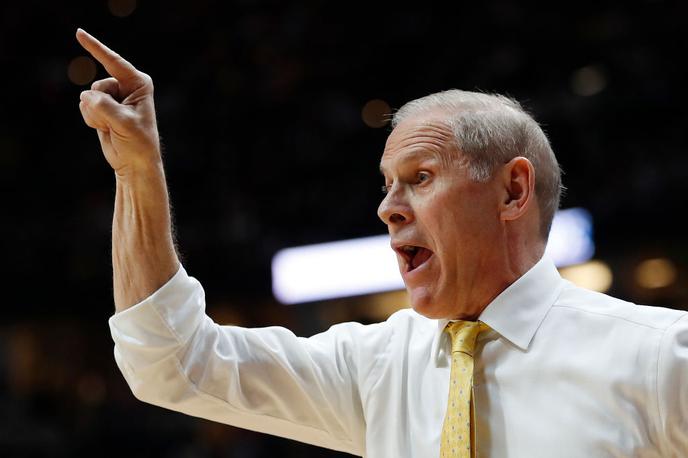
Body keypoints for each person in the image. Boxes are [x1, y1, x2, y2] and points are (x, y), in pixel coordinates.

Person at [76, 28, 688, 457]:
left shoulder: (659, 359)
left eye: (420, 178)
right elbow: (169, 362)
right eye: (387, 185)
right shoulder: (374, 366)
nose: (388, 207)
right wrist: (136, 174)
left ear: (512, 191)